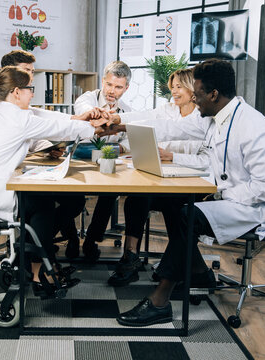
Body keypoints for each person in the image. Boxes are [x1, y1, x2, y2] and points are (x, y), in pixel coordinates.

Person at [101, 59, 265, 326]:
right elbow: (169, 126)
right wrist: (120, 123)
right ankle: (199, 273)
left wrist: (220, 194)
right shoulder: (216, 118)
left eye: (197, 94)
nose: (194, 100)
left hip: (255, 208)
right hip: (233, 197)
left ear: (213, 94)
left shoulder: (255, 128)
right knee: (171, 200)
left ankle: (159, 301)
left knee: (189, 215)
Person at [0, 66, 100, 296]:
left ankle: (35, 264)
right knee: (42, 205)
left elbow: (43, 115)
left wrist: (79, 118)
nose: (32, 93)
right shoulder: (17, 119)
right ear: (16, 92)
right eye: (30, 88)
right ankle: (38, 271)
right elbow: (60, 128)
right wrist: (94, 126)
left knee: (38, 200)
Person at [105, 68, 212, 287]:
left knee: (175, 207)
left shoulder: (202, 117)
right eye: (172, 86)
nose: (174, 91)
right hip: (167, 177)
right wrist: (119, 126)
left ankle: (181, 265)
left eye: (179, 86)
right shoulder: (168, 109)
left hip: (194, 180)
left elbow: (174, 133)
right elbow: (146, 117)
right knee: (138, 198)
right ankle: (130, 256)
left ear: (194, 90)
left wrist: (172, 155)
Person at [1, 50, 92, 258]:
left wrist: (48, 147)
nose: (31, 76)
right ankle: (35, 250)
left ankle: (36, 245)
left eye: (32, 71)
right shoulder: (6, 108)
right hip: (6, 180)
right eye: (26, 71)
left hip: (15, 173)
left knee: (71, 197)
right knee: (48, 200)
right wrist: (90, 125)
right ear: (9, 73)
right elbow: (41, 124)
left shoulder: (16, 104)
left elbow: (37, 128)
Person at [64, 60, 132, 262]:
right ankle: (71, 239)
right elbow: (82, 106)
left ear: (126, 88)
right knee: (66, 195)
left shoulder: (126, 110)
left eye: (118, 87)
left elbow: (129, 138)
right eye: (109, 84)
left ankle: (92, 240)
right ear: (103, 81)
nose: (112, 91)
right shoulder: (88, 98)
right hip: (79, 159)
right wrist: (96, 113)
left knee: (110, 193)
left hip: (106, 161)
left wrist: (121, 147)